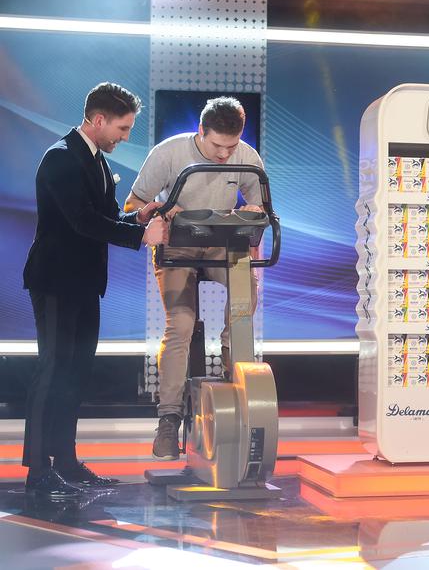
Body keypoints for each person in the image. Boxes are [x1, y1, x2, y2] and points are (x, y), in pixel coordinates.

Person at [22, 82, 167, 498]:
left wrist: (138, 219)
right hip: (55, 281)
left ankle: (65, 462)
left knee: (74, 373)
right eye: (122, 128)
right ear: (99, 120)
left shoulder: (96, 159)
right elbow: (82, 221)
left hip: (84, 283)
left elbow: (105, 216)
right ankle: (38, 471)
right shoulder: (61, 157)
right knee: (52, 370)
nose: (125, 137)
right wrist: (141, 237)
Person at [125, 96, 264, 460]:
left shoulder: (247, 157)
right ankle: (168, 418)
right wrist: (159, 211)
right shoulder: (168, 153)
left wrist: (253, 211)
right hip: (177, 247)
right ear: (201, 130)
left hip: (221, 244)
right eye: (217, 146)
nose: (224, 154)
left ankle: (239, 383)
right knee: (181, 324)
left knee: (244, 299)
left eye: (231, 146)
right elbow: (132, 205)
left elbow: (260, 209)